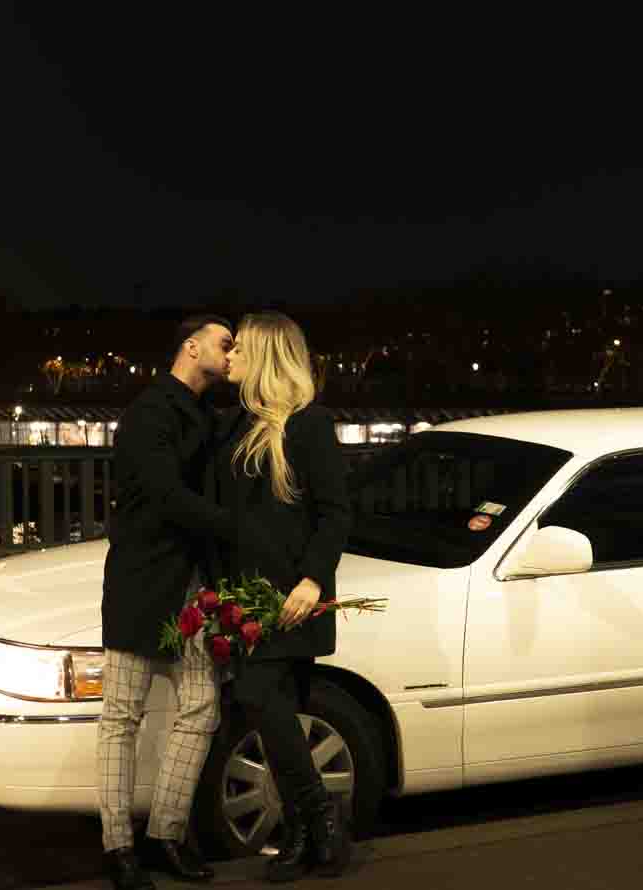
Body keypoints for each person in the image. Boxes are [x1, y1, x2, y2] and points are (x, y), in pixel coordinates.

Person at [99, 314, 245, 890]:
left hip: (185, 585)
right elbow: (166, 496)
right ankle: (120, 847)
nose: (231, 354)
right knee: (121, 717)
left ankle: (164, 833)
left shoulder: (198, 416)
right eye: (224, 343)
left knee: (199, 708)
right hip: (145, 582)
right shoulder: (150, 414)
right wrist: (239, 527)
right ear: (190, 347)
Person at [210, 311, 354, 882]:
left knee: (261, 698)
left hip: (293, 595)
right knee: (279, 717)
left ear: (266, 356)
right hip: (247, 597)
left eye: (241, 348)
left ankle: (318, 820)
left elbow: (335, 512)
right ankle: (306, 833)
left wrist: (313, 580)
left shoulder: (309, 425)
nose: (231, 356)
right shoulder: (238, 423)